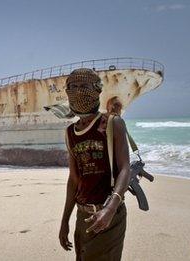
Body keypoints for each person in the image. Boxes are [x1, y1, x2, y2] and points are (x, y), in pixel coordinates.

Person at [58, 68, 131, 261]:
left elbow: (125, 168)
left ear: (97, 89)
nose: (78, 91)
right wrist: (65, 220)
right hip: (83, 216)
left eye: (83, 86)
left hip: (110, 215)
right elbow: (74, 179)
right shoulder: (70, 133)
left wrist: (110, 209)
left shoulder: (112, 123)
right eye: (72, 87)